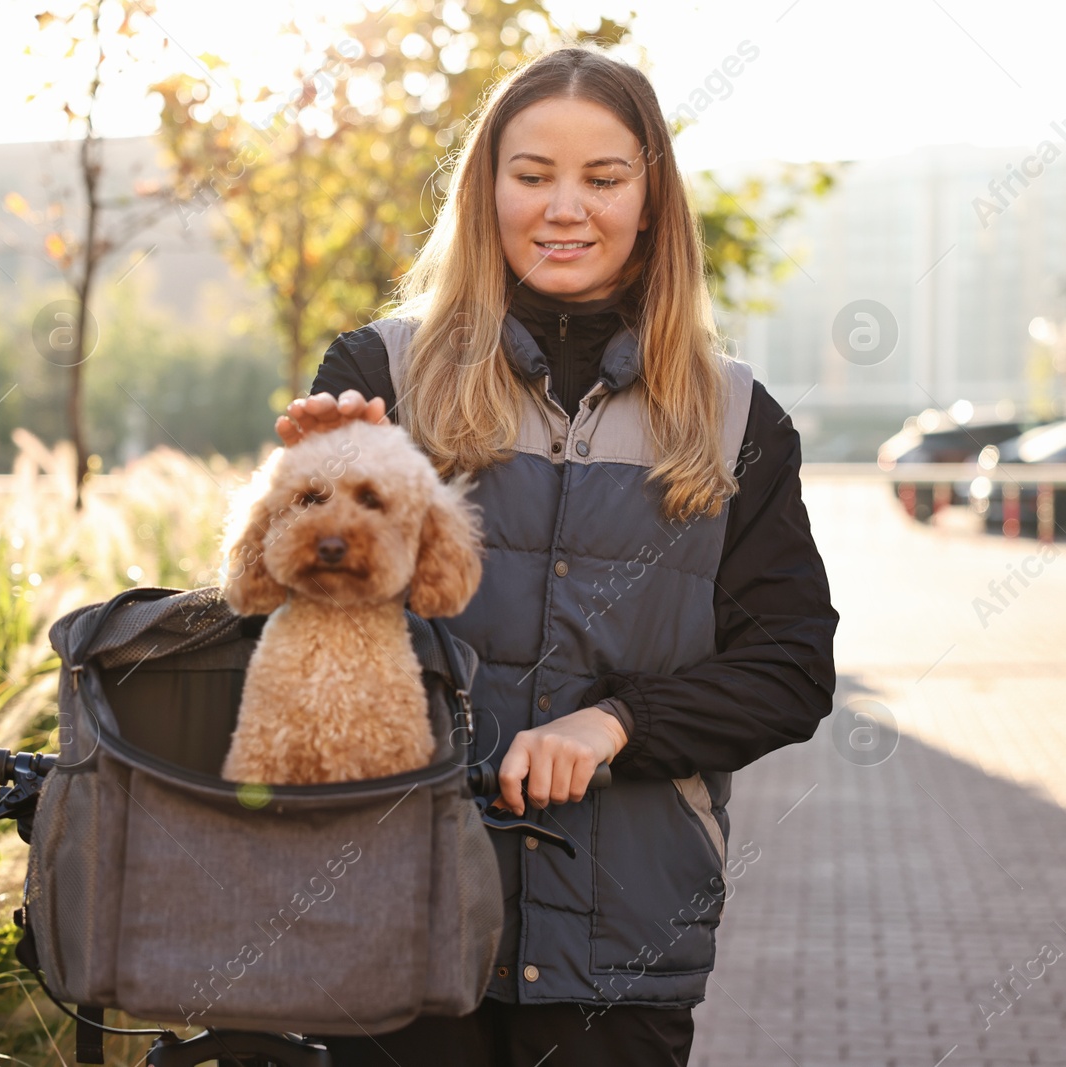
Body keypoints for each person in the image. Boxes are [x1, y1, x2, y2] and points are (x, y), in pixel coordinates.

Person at [280, 47, 839, 1066]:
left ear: (650, 195)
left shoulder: (734, 417)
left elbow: (791, 670)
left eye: (602, 178)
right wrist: (312, 516)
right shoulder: (377, 375)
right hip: (395, 910)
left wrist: (618, 721)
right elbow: (288, 639)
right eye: (531, 175)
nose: (563, 207)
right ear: (486, 186)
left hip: (621, 942)